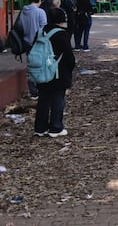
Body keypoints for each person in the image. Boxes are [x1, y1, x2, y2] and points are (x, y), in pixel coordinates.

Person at [33, 7, 76, 137]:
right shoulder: (62, 34)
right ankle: (55, 127)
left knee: (43, 99)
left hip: (41, 70)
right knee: (57, 99)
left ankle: (40, 128)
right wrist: (70, 69)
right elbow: (69, 56)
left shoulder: (40, 32)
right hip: (57, 72)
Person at [20, 0, 48, 99]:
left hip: (27, 41)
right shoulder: (40, 12)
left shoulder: (23, 11)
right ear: (39, 0)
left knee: (31, 66)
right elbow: (44, 28)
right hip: (38, 42)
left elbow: (20, 26)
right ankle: (39, 90)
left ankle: (33, 91)